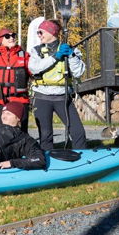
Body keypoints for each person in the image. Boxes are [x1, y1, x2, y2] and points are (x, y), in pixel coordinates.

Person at [28, 19, 87, 150]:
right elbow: (34, 68)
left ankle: (83, 160)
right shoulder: (36, 50)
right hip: (42, 97)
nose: (39, 35)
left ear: (51, 32)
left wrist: (71, 56)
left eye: (41, 32)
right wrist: (56, 57)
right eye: (38, 32)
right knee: (45, 135)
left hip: (63, 97)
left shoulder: (70, 50)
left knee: (78, 133)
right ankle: (47, 162)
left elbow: (78, 72)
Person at [0, 28, 31, 133]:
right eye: (7, 36)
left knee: (21, 133)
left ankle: (23, 149)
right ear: (0, 40)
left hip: (20, 100)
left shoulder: (24, 56)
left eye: (13, 35)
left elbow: (35, 72)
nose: (12, 38)